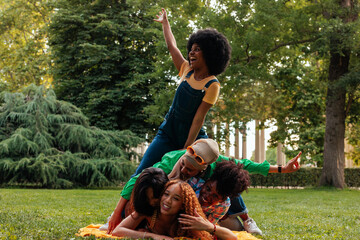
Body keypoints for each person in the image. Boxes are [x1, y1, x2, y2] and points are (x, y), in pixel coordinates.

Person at [107, 138, 302, 234]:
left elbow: (248, 165)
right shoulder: (173, 163)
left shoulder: (216, 167)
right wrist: (117, 214)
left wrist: (282, 169)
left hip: (199, 214)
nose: (184, 170)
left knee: (231, 183)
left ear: (204, 167)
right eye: (184, 164)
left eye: (190, 170)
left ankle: (246, 219)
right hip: (161, 202)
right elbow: (137, 179)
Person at [132, 8, 232, 177]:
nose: (191, 53)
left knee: (218, 172)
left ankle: (238, 205)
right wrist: (165, 24)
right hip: (167, 132)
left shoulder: (212, 84)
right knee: (142, 172)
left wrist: (186, 147)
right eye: (191, 49)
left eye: (198, 49)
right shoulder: (186, 69)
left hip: (193, 137)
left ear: (210, 54)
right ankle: (126, 203)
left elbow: (198, 119)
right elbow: (172, 46)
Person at [112, 180, 236, 240]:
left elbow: (233, 238)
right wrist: (153, 236)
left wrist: (208, 227)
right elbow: (117, 231)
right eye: (166, 194)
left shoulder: (187, 219)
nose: (167, 201)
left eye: (176, 198)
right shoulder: (149, 210)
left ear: (183, 205)